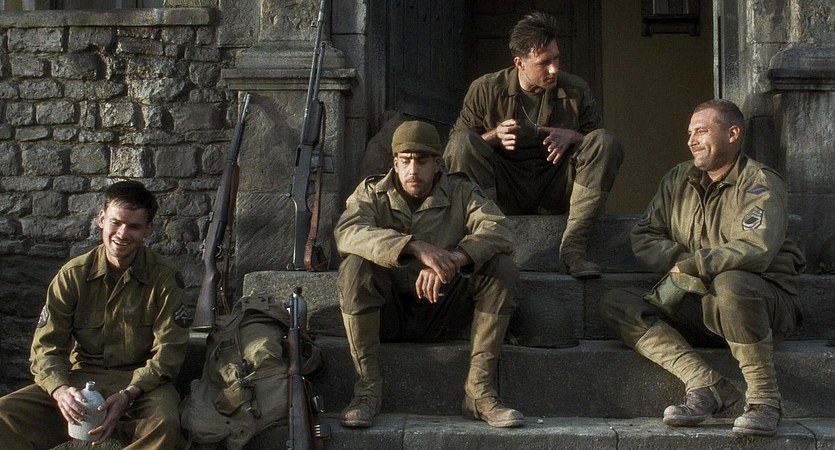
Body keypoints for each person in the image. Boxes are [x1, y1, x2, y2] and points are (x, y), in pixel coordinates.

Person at [600, 99, 804, 436]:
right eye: (690, 133)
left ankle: (764, 400)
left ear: (733, 134)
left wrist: (695, 264)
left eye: (702, 131)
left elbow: (757, 248)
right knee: (617, 303)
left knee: (731, 283)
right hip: (700, 302)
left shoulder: (760, 183)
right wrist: (679, 261)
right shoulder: (677, 179)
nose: (692, 140)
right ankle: (705, 384)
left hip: (761, 306)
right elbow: (644, 234)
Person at [335, 120, 524, 429]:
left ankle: (479, 393)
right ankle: (367, 391)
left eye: (422, 161)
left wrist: (454, 260)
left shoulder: (461, 191)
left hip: (445, 309)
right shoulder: (372, 193)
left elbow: (500, 230)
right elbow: (348, 232)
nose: (413, 170)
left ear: (438, 164)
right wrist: (413, 246)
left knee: (501, 267)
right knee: (355, 267)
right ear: (395, 163)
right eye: (406, 161)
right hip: (389, 314)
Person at [0, 181, 190, 448]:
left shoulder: (165, 278)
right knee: (5, 414)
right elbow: (45, 347)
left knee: (164, 423)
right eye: (116, 222)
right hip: (81, 380)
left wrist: (129, 394)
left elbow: (168, 352)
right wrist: (60, 390)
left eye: (134, 227)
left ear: (148, 230)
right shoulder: (73, 275)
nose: (122, 234)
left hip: (142, 384)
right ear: (101, 219)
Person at [444, 12, 623, 279]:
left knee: (606, 142)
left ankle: (573, 250)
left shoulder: (575, 90)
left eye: (556, 58)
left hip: (555, 184)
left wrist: (573, 136)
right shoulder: (485, 89)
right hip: (504, 188)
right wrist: (493, 136)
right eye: (544, 63)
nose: (554, 69)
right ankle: (486, 243)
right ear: (520, 63)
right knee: (463, 143)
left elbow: (597, 143)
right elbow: (455, 146)